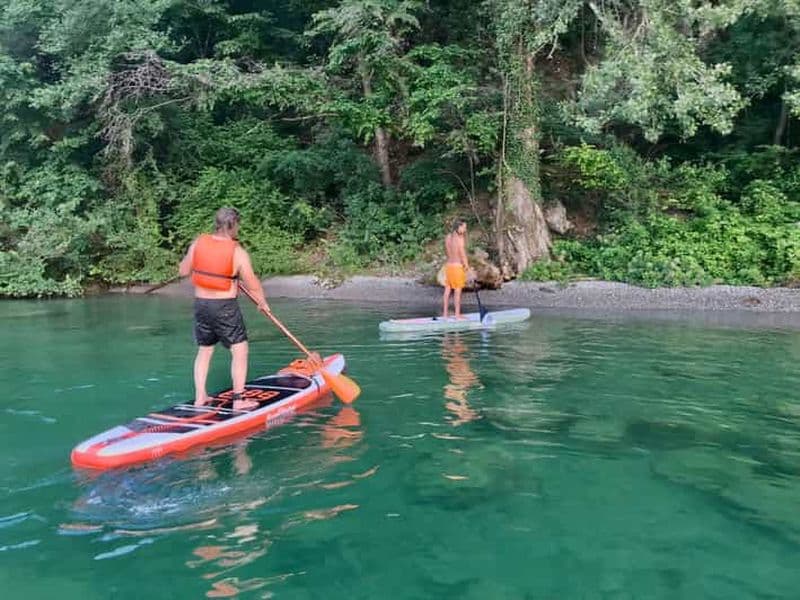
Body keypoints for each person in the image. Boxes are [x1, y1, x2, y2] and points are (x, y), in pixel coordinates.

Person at [178, 207, 269, 411]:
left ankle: (200, 395)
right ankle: (239, 400)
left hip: (201, 305)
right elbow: (252, 282)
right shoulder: (238, 252)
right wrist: (262, 302)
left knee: (205, 350)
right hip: (224, 307)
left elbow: (183, 270)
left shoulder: (197, 243)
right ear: (233, 225)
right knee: (240, 350)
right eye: (238, 225)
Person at [442, 219, 471, 319]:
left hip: (449, 266)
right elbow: (462, 253)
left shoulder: (448, 237)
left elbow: (448, 251)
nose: (465, 230)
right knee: (457, 291)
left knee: (447, 289)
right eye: (464, 227)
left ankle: (445, 314)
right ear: (458, 227)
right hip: (457, 267)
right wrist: (466, 265)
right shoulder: (459, 239)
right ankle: (457, 314)